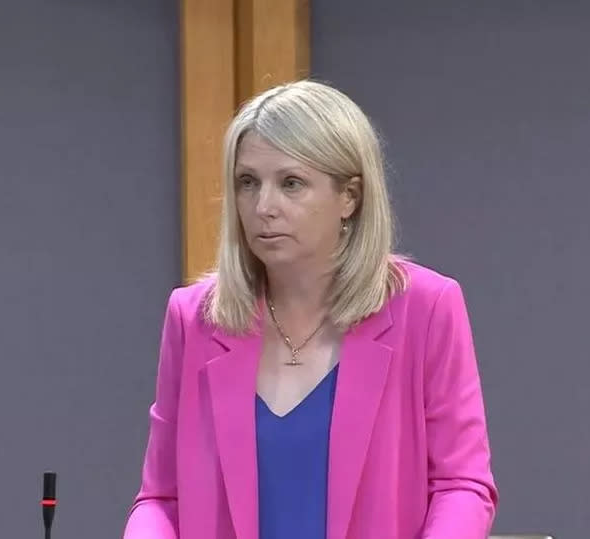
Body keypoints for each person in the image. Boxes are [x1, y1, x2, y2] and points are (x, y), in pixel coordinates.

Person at [123, 80, 498, 539]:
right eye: (247, 183)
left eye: (291, 183)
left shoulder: (425, 307)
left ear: (350, 197)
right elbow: (161, 498)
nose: (263, 206)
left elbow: (461, 485)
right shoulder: (194, 317)